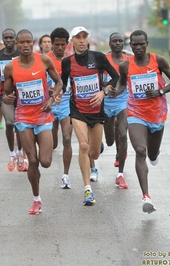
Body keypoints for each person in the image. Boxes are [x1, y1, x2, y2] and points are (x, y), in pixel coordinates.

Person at [109, 30, 170, 214]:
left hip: (157, 114)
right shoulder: (125, 65)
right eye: (135, 44)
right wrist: (116, 91)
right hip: (135, 113)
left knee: (152, 154)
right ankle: (146, 196)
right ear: (130, 45)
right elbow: (122, 83)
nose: (138, 47)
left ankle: (154, 155)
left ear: (146, 43)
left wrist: (160, 91)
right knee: (140, 151)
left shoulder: (159, 60)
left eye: (141, 44)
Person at [3, 29, 63, 215]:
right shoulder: (11, 67)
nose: (25, 45)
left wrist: (51, 99)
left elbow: (59, 82)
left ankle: (37, 185)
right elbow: (6, 92)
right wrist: (8, 97)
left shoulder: (44, 60)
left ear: (34, 42)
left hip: (43, 115)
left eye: (29, 42)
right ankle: (36, 199)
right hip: (23, 118)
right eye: (21, 43)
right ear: (17, 44)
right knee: (33, 160)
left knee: (45, 161)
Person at [61, 26, 119, 206]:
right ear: (72, 41)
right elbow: (63, 85)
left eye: (84, 37)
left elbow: (116, 77)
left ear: (88, 40)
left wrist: (103, 92)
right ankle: (87, 190)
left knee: (94, 152)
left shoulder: (99, 58)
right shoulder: (67, 62)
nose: (81, 40)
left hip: (96, 111)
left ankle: (98, 145)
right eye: (77, 37)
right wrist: (55, 93)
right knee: (83, 146)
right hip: (77, 110)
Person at [0, 28, 28, 172]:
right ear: (2, 39)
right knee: (9, 123)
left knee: (19, 125)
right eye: (5, 38)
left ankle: (20, 153)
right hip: (5, 94)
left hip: (21, 93)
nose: (8, 40)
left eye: (11, 38)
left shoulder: (19, 53)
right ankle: (11, 154)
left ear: (15, 39)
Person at [103, 32, 130, 189]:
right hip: (106, 102)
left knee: (122, 134)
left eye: (120, 41)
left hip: (122, 101)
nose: (118, 43)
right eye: (115, 41)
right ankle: (116, 145)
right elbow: (97, 78)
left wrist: (118, 91)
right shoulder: (104, 60)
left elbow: (127, 81)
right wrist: (105, 87)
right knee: (109, 141)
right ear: (110, 43)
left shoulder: (128, 60)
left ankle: (120, 174)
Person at [47, 27, 73, 189]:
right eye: (57, 44)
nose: (60, 48)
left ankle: (65, 175)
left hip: (66, 103)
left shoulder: (71, 60)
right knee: (54, 142)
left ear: (67, 44)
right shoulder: (45, 60)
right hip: (49, 103)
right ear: (52, 44)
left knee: (67, 138)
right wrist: (52, 92)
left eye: (63, 44)